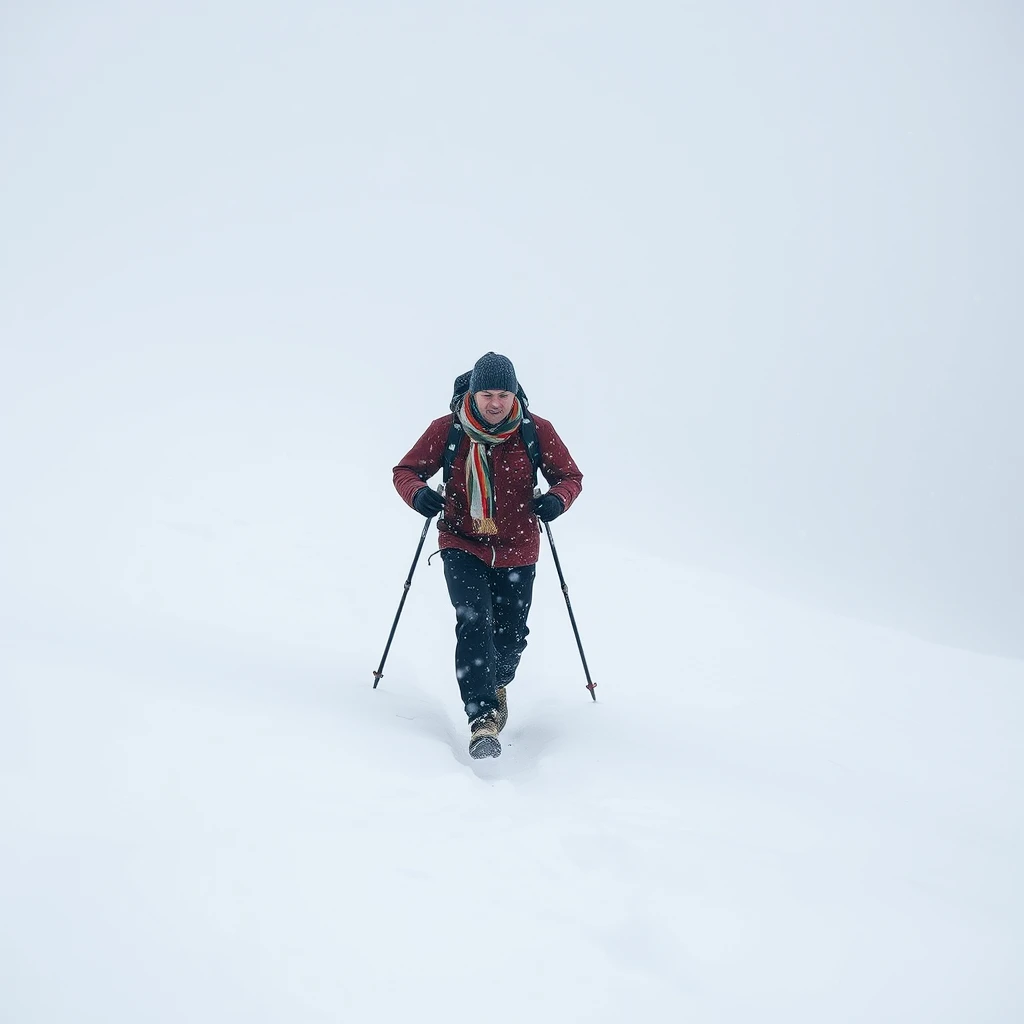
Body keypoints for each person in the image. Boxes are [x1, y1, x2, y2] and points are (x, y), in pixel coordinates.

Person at [392, 352, 583, 758]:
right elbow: (406, 471)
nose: (495, 403)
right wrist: (419, 495)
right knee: (473, 619)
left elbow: (569, 477)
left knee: (512, 638)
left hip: (518, 547)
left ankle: (498, 681)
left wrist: (556, 500)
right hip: (462, 542)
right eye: (486, 395)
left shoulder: (535, 431)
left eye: (503, 394)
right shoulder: (447, 430)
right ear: (473, 394)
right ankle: (482, 718)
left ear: (515, 395)